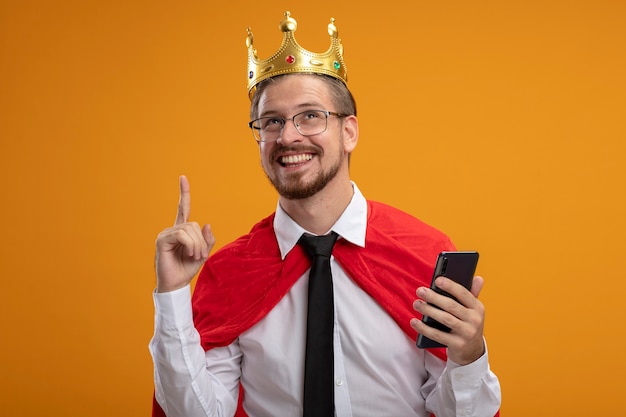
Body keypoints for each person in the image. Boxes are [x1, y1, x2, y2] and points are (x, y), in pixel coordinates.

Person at [149, 11, 501, 417]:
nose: (288, 136)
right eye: (271, 121)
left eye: (310, 116)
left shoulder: (422, 252)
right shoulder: (231, 272)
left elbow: (459, 412)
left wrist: (469, 357)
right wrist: (173, 295)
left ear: (349, 132)